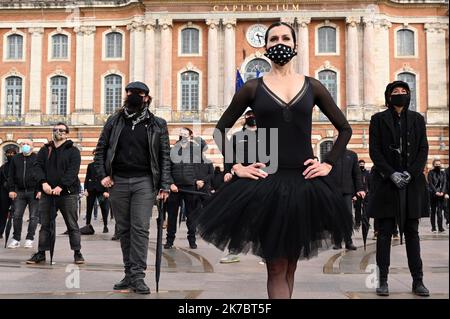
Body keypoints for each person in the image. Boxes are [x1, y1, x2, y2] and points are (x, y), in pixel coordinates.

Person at [193, 22, 353, 299]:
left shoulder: (312, 86)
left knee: (290, 266)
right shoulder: (253, 88)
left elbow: (345, 128)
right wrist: (236, 167)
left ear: (295, 45)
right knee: (277, 267)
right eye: (274, 39)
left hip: (305, 183)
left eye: (285, 38)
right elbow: (219, 130)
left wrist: (328, 162)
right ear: (266, 47)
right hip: (267, 183)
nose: (280, 43)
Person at [94, 81, 171, 294]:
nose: (134, 95)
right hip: (118, 181)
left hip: (144, 182)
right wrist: (102, 176)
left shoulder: (157, 124)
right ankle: (129, 274)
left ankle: (138, 275)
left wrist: (164, 185)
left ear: (147, 97)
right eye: (130, 92)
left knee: (140, 228)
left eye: (139, 93)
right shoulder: (114, 121)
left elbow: (164, 156)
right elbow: (100, 150)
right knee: (124, 229)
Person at [368, 80, 430, 297]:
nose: (400, 94)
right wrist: (391, 173)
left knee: (413, 233)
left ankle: (418, 281)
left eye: (404, 91)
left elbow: (423, 149)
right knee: (384, 234)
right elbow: (374, 151)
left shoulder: (417, 119)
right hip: (387, 183)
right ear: (388, 96)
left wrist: (411, 173)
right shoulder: (377, 119)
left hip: (411, 184)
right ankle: (382, 280)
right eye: (396, 92)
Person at [27, 122, 85, 265]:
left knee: (72, 224)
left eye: (61, 130)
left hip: (68, 194)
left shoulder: (73, 151)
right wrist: (43, 183)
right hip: (47, 194)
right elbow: (37, 167)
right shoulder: (45, 150)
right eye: (55, 129)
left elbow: (73, 171)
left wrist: (61, 186)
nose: (58, 132)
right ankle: (41, 252)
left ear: (66, 133)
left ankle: (77, 252)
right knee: (45, 225)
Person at [220, 109, 258, 264]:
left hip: (262, 178)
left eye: (254, 115)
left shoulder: (268, 135)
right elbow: (229, 155)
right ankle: (233, 251)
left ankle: (268, 253)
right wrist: (228, 170)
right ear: (245, 118)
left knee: (266, 216)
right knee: (237, 215)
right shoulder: (236, 137)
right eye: (248, 115)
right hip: (241, 178)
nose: (251, 117)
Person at [164, 127, 201, 250]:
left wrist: (198, 180)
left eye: (186, 134)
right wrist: (171, 183)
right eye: (181, 134)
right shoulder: (172, 150)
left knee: (191, 216)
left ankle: (192, 240)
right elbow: (166, 169)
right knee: (172, 216)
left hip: (190, 187)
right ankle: (169, 240)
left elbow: (201, 168)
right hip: (176, 187)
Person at [326, 145, 363, 250]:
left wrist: (359, 189)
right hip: (333, 192)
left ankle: (348, 241)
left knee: (347, 216)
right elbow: (325, 175)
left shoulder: (352, 155)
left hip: (347, 191)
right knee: (336, 217)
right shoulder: (328, 155)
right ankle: (337, 242)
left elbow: (356, 174)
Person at [7, 139, 40, 249]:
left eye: (28, 144)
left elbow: (42, 175)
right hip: (19, 192)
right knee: (16, 216)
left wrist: (40, 190)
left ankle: (30, 238)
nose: (25, 146)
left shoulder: (37, 158)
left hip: (34, 192)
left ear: (32, 147)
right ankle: (16, 239)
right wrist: (11, 189)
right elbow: (10, 175)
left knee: (33, 217)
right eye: (23, 144)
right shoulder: (16, 158)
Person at [84, 150, 110, 233]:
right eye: (95, 155)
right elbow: (87, 178)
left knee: (104, 208)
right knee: (89, 208)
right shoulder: (90, 165)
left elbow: (107, 179)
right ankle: (87, 225)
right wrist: (85, 189)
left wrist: (107, 191)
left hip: (101, 190)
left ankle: (105, 225)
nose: (95, 157)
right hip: (91, 190)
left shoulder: (105, 166)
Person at [0, 146, 18, 238]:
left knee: (16, 214)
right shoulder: (3, 167)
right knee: (3, 212)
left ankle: (16, 234)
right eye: (8, 154)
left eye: (12, 154)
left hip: (16, 192)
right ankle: (0, 232)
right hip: (4, 192)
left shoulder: (18, 166)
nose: (10, 155)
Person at [427, 158, 446, 233]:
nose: (438, 165)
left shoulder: (443, 173)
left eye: (439, 164)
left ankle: (440, 227)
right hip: (433, 194)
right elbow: (430, 183)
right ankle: (433, 227)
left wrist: (443, 192)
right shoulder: (430, 172)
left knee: (440, 211)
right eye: (436, 164)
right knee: (433, 211)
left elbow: (444, 183)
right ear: (433, 165)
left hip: (441, 195)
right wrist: (435, 192)